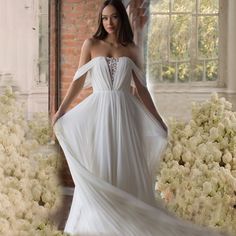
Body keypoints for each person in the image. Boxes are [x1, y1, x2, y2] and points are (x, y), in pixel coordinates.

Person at [52, 1, 228, 235]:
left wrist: (158, 120)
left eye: (114, 17)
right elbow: (78, 81)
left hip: (125, 116)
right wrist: (61, 110)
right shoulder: (91, 44)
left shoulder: (132, 49)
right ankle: (101, 220)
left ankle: (127, 217)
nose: (109, 23)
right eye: (104, 18)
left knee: (124, 166)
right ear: (100, 21)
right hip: (100, 114)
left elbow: (142, 89)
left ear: (121, 19)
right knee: (101, 165)